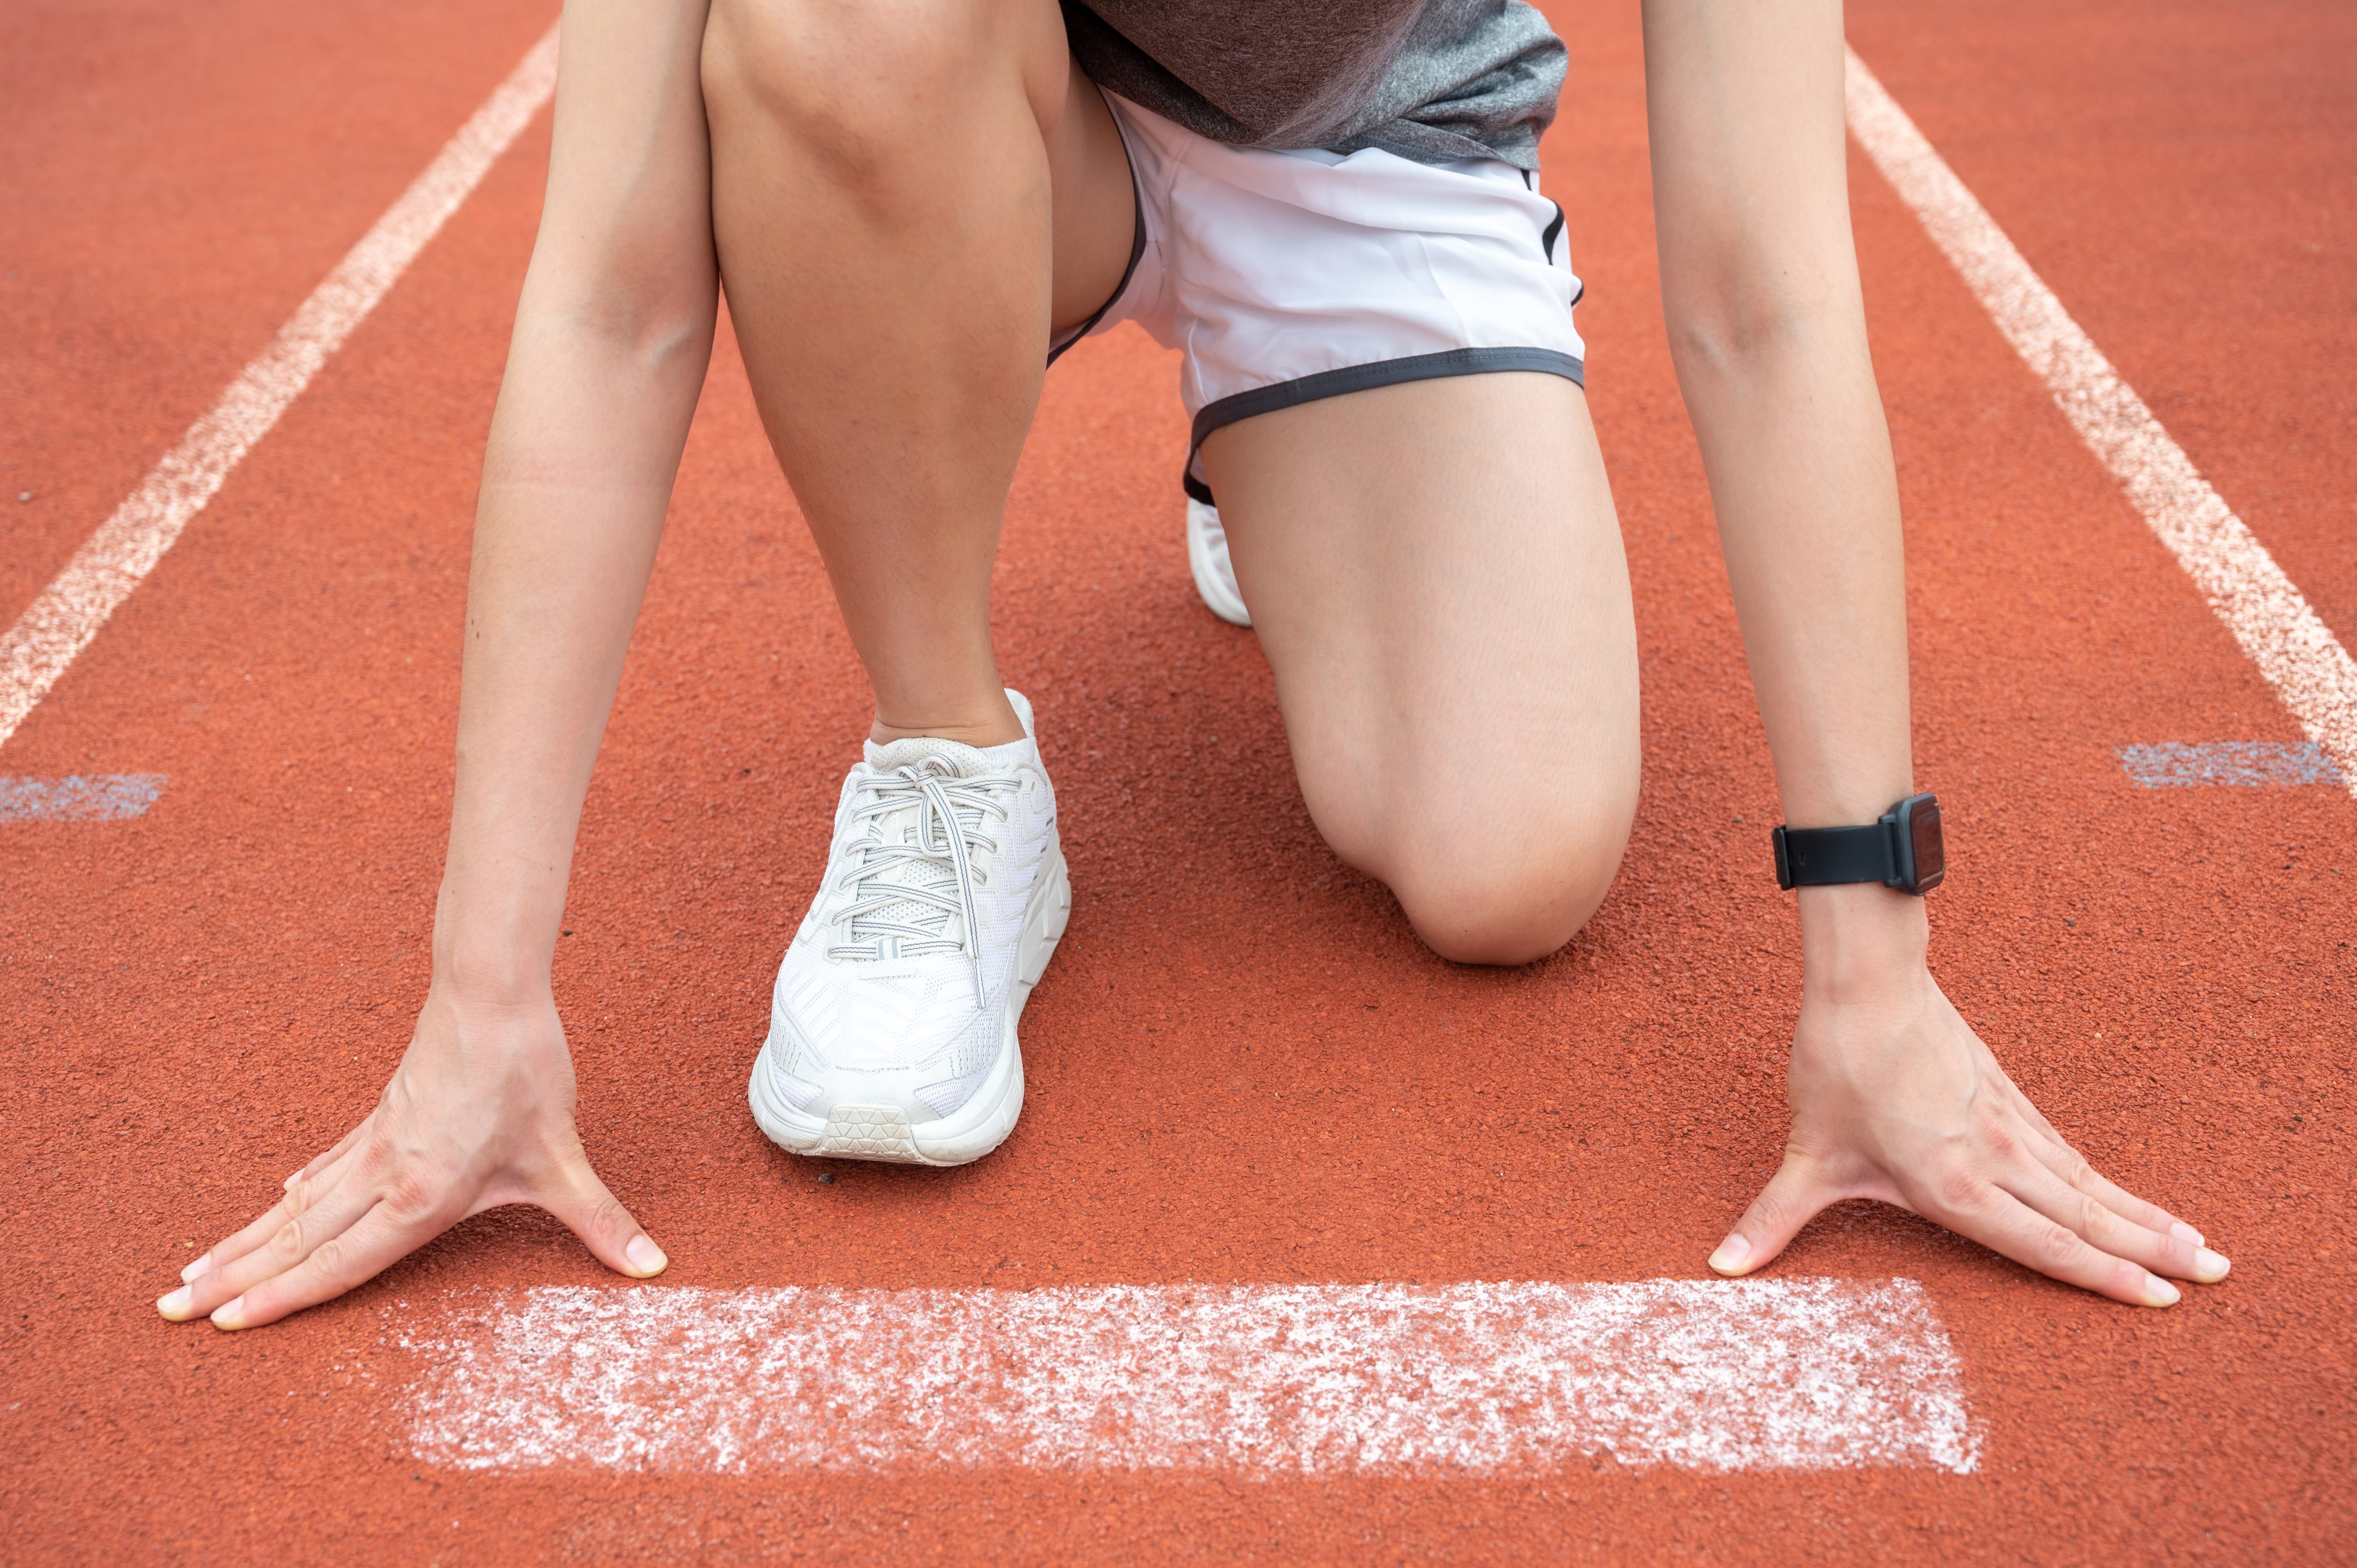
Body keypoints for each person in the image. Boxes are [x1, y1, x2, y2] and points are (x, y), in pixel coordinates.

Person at [157, 0, 2230, 1332]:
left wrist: (1869, 970)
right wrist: (477, 1002)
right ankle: (951, 752)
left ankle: (1267, 449)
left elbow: (1765, 291)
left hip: (1365, 155)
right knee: (828, 29)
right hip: (973, 106)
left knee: (1507, 866)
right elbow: (615, 289)